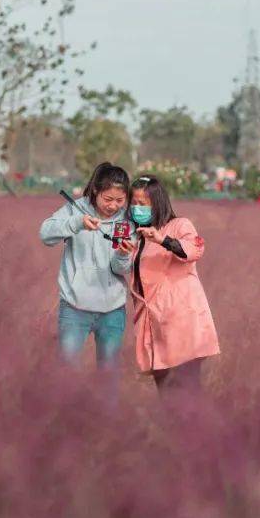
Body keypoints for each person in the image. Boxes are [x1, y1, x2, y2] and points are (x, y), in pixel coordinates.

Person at [113, 174, 219, 394]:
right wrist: (122, 253)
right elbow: (122, 269)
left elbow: (193, 250)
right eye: (133, 203)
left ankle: (199, 428)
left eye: (142, 204)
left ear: (157, 202)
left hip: (182, 324)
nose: (136, 208)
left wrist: (162, 240)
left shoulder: (179, 225)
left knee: (187, 391)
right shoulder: (135, 235)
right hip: (153, 326)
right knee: (166, 394)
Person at [39, 162, 136, 367]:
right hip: (74, 307)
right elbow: (45, 234)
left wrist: (122, 254)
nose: (113, 206)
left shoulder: (126, 222)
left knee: (108, 375)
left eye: (120, 200)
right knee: (67, 370)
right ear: (95, 191)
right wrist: (77, 223)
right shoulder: (75, 209)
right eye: (107, 199)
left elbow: (121, 269)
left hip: (113, 310)